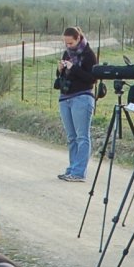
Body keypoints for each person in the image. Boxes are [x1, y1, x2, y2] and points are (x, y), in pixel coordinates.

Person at [54, 26, 99, 183]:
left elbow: (92, 79)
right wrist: (60, 70)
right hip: (65, 97)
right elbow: (64, 76)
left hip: (82, 97)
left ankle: (79, 172)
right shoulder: (67, 53)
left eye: (71, 43)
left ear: (78, 38)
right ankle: (72, 169)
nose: (68, 46)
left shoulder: (89, 55)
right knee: (71, 137)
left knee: (82, 136)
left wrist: (74, 69)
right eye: (66, 43)